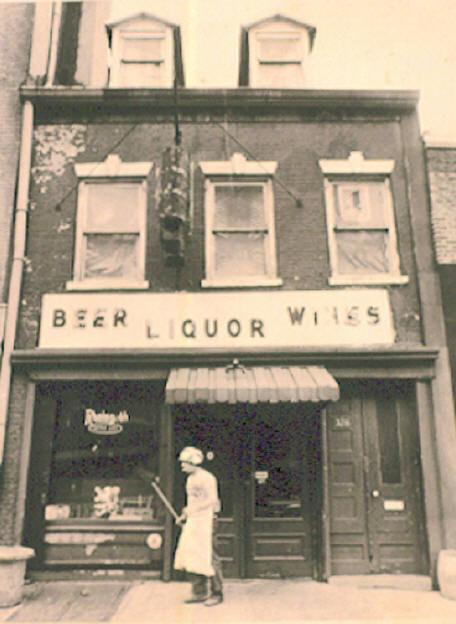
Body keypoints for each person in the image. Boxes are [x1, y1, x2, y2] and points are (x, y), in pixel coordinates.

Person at [174, 446, 224, 607]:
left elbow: (212, 500)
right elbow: (192, 502)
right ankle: (199, 591)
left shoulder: (208, 478)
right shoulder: (190, 479)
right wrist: (184, 516)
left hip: (208, 520)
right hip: (194, 521)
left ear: (193, 462)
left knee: (209, 556)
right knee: (193, 554)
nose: (182, 465)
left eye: (184, 463)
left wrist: (192, 510)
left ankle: (217, 593)